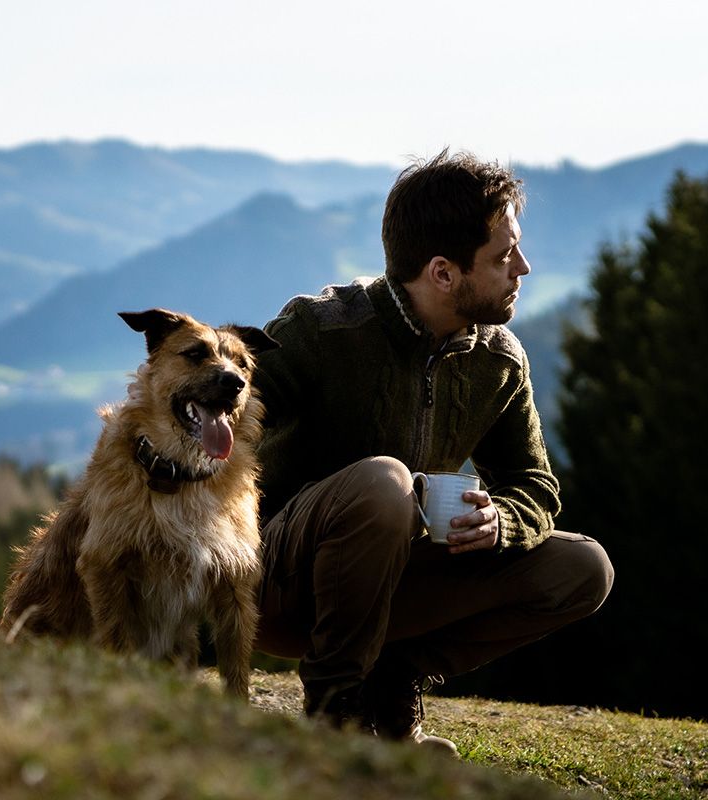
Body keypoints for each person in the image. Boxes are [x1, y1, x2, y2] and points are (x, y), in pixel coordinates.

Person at [251, 149, 614, 753]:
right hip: (276, 584)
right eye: (502, 257)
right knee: (383, 483)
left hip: (395, 586)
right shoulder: (323, 331)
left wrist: (502, 521)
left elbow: (535, 486)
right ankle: (336, 716)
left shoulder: (498, 361)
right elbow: (219, 419)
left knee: (582, 569)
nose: (523, 268)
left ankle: (393, 679)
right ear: (442, 273)